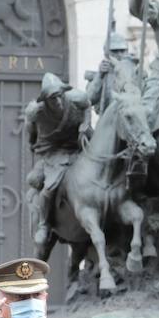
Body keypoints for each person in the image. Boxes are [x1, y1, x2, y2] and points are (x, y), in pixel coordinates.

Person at [23, 73, 91, 249]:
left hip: (79, 147)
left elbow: (87, 105)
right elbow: (31, 137)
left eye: (59, 96)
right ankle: (44, 225)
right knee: (49, 187)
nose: (58, 101)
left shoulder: (76, 98)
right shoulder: (38, 113)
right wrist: (29, 123)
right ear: (45, 100)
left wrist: (85, 125)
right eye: (53, 99)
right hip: (55, 154)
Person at [88, 32, 140, 115]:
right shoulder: (103, 74)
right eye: (115, 51)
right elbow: (89, 99)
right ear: (107, 52)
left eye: (122, 51)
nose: (119, 54)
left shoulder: (135, 72)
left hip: (130, 118)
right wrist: (99, 75)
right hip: (108, 120)